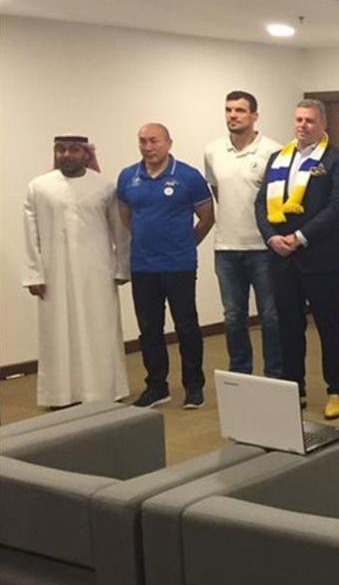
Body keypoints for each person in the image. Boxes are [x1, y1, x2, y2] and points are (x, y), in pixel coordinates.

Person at [255, 99, 339, 419]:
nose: (302, 126)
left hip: (320, 257)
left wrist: (300, 237)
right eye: (298, 120)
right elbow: (260, 204)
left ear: (322, 125)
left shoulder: (336, 160)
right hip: (281, 257)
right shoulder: (277, 158)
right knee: (288, 327)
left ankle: (336, 390)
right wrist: (271, 237)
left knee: (329, 327)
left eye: (310, 121)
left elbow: (337, 207)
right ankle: (293, 387)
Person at [23, 135, 130, 408]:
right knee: (57, 331)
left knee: (100, 329)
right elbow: (30, 233)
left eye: (73, 149)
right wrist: (35, 273)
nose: (66, 154)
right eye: (61, 149)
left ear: (86, 154)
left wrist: (121, 267)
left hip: (97, 272)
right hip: (54, 274)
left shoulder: (105, 187)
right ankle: (60, 394)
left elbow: (120, 231)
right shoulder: (39, 187)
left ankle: (104, 390)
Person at [117, 123, 214, 409]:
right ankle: (157, 386)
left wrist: (187, 242)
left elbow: (207, 217)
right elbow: (125, 216)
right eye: (143, 142)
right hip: (143, 266)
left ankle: (194, 387)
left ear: (169, 143)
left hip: (179, 264)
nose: (148, 147)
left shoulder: (188, 176)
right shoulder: (127, 177)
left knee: (187, 326)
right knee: (149, 329)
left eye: (154, 141)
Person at [204, 90, 283, 378]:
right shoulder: (213, 151)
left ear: (254, 116)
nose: (233, 116)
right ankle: (240, 376)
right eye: (228, 110)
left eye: (239, 110)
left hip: (263, 248)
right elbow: (217, 192)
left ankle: (275, 376)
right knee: (234, 317)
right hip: (226, 248)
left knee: (271, 318)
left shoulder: (273, 150)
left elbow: (278, 198)